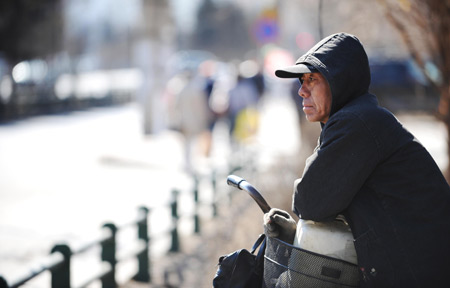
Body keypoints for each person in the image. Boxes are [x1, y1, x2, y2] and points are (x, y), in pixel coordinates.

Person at [263, 32, 450, 287]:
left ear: (339, 82)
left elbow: (310, 201)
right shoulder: (361, 118)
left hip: (417, 273)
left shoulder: (356, 122)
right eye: (301, 81)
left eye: (312, 80)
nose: (301, 91)